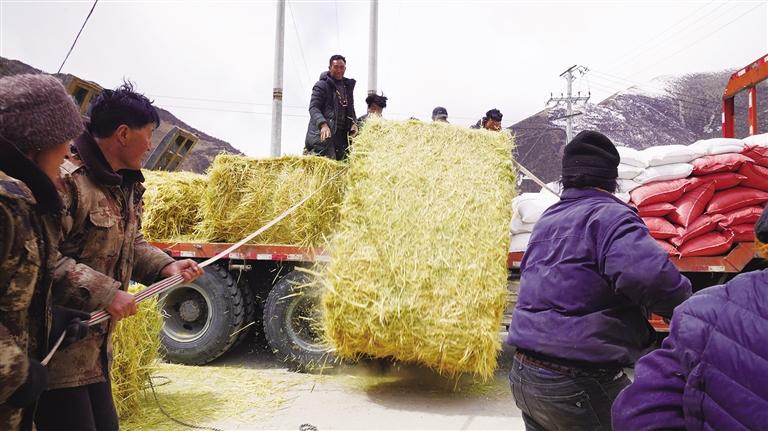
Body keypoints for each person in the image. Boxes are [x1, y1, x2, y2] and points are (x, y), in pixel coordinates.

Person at [35, 82, 204, 431]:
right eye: (148, 135)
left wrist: (166, 265)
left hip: (94, 355)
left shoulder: (123, 186)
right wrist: (107, 293)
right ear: (124, 134)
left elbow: (132, 243)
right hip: (57, 353)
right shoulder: (67, 181)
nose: (151, 145)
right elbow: (42, 259)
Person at [507, 130, 692, 431]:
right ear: (611, 179)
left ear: (566, 178)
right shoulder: (611, 217)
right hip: (576, 379)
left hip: (524, 375)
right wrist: (688, 308)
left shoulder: (547, 219)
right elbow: (651, 276)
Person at [611, 211, 768, 431]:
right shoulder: (613, 218)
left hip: (570, 360)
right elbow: (651, 276)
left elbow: (638, 415)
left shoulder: (708, 313)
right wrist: (677, 302)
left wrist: (686, 313)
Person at [0, 74, 90, 431]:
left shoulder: (26, 201)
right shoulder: (5, 205)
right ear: (37, 142)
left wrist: (49, 321)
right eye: (64, 141)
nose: (68, 153)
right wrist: (14, 371)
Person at [304, 54, 358, 161]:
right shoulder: (321, 85)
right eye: (336, 67)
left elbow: (351, 110)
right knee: (325, 165)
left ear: (345, 68)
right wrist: (323, 124)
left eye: (341, 67)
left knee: (343, 166)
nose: (339, 70)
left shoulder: (347, 87)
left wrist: (353, 123)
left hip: (342, 137)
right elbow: (313, 107)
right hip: (324, 136)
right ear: (330, 68)